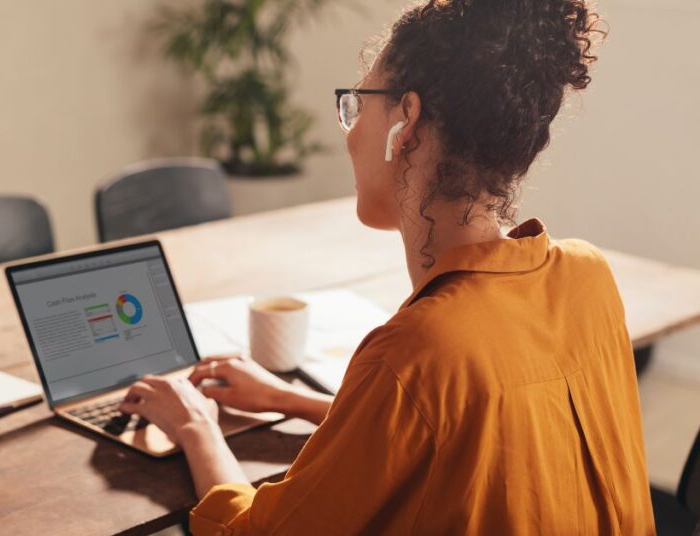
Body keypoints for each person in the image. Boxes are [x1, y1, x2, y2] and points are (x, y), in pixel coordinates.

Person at [118, 0, 655, 533]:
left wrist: (196, 427)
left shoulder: (418, 350)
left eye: (356, 105)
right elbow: (463, 439)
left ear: (407, 122)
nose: (350, 133)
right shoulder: (587, 275)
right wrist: (291, 401)